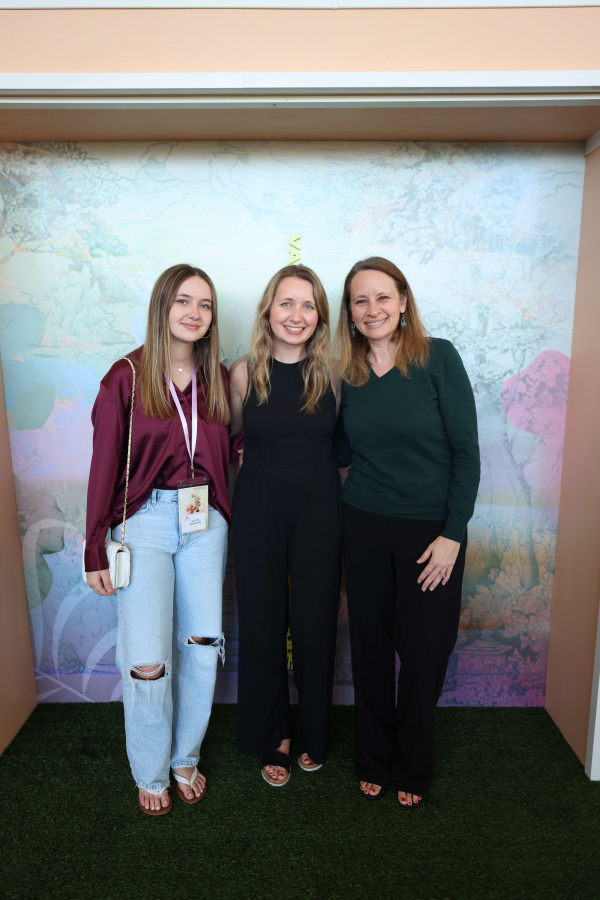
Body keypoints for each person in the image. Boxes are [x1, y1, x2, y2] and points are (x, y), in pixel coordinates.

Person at [84, 263, 236, 816]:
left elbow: (234, 445)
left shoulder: (218, 377)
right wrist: (93, 545)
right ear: (162, 306)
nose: (195, 313)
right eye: (183, 301)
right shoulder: (125, 376)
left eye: (205, 304)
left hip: (204, 523)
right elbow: (103, 467)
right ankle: (150, 770)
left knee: (201, 646)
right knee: (148, 660)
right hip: (143, 523)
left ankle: (184, 756)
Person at [334, 257, 480, 807]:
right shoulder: (348, 375)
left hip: (430, 533)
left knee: (423, 652)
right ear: (350, 312)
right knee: (370, 647)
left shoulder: (438, 357)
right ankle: (373, 757)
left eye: (382, 297)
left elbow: (466, 453)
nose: (372, 309)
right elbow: (339, 449)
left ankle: (413, 764)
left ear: (402, 302)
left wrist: (452, 534)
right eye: (360, 300)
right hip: (363, 524)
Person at [229, 264, 341, 786]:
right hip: (259, 503)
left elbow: (346, 447)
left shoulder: (335, 374)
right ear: (268, 310)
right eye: (286, 303)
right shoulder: (243, 372)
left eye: (308, 305)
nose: (296, 315)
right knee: (262, 619)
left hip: (320, 504)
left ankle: (314, 732)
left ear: (320, 316)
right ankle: (274, 735)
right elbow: (233, 440)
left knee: (315, 621)